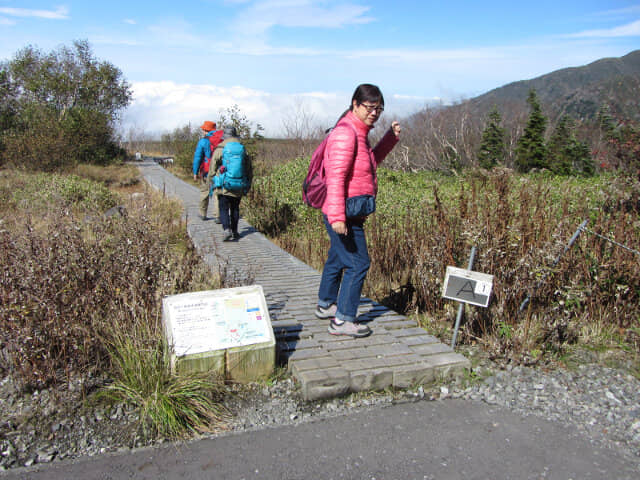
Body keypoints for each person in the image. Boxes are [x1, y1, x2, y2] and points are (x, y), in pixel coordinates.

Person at [315, 84, 401, 338]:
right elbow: (336, 177)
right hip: (344, 211)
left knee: (337, 257)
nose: (374, 113)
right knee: (358, 262)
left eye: (379, 108)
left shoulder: (358, 133)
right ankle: (342, 320)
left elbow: (369, 163)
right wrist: (338, 216)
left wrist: (389, 139)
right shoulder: (346, 133)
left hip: (349, 209)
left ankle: (326, 304)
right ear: (355, 104)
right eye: (370, 107)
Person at [211, 126, 253, 241]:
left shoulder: (220, 148)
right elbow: (249, 167)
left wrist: (213, 179)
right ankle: (235, 231)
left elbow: (213, 166)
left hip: (224, 184)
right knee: (235, 208)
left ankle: (226, 229)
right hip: (239, 183)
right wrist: (248, 182)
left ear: (225, 136)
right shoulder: (242, 149)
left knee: (223, 207)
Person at [192, 120, 222, 221]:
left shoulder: (203, 141)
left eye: (203, 129)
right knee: (217, 193)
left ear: (206, 130)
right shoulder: (221, 139)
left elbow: (198, 157)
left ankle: (202, 213)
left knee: (204, 191)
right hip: (219, 171)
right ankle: (218, 216)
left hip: (206, 170)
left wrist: (195, 172)